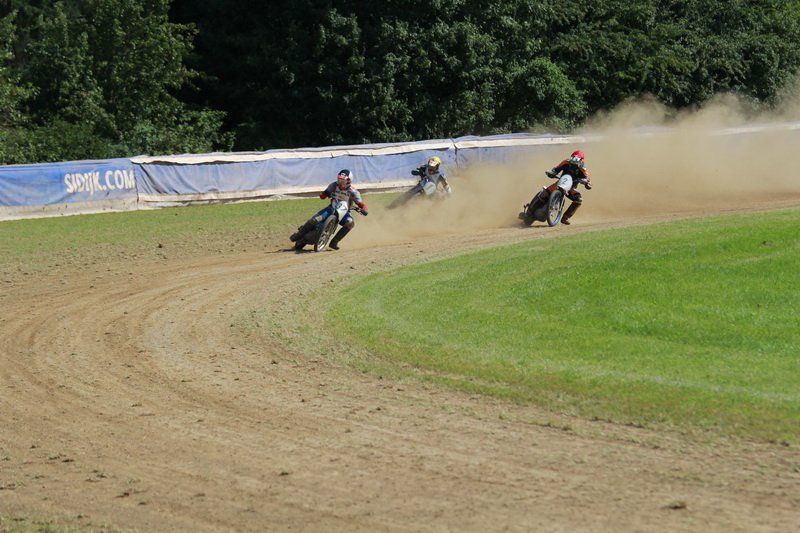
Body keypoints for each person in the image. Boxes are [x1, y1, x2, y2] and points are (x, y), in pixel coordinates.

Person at [290, 169, 368, 250]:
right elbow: (322, 196)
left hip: (345, 212)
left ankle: (334, 242)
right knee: (314, 220)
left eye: (343, 181)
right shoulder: (333, 185)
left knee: (350, 223)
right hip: (331, 208)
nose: (340, 182)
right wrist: (325, 193)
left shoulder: (354, 192)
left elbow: (361, 204)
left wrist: (364, 209)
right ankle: (298, 235)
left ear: (349, 181)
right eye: (339, 180)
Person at [526, 150, 593, 225]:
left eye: (576, 161)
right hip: (559, 184)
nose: (573, 164)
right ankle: (528, 213)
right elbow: (556, 169)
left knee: (579, 199)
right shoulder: (566, 162)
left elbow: (587, 179)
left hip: (570, 188)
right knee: (544, 193)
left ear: (582, 160)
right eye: (572, 161)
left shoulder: (583, 168)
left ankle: (565, 218)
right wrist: (552, 173)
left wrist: (587, 183)